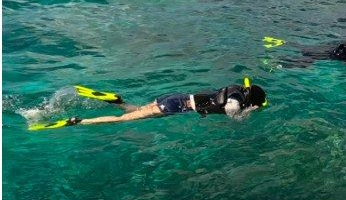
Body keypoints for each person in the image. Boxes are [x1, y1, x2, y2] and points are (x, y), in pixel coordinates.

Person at [29, 78, 267, 130]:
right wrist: (249, 112)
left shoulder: (235, 88)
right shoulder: (238, 99)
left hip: (173, 97)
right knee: (122, 121)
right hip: (176, 107)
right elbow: (232, 110)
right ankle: (77, 121)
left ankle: (117, 100)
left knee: (137, 111)